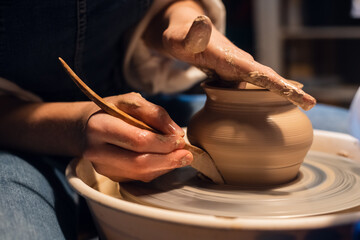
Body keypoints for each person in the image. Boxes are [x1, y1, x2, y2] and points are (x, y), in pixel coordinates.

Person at [0, 0, 317, 239]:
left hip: (138, 105)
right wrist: (75, 125)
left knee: (343, 124)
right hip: (17, 128)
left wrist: (178, 22)